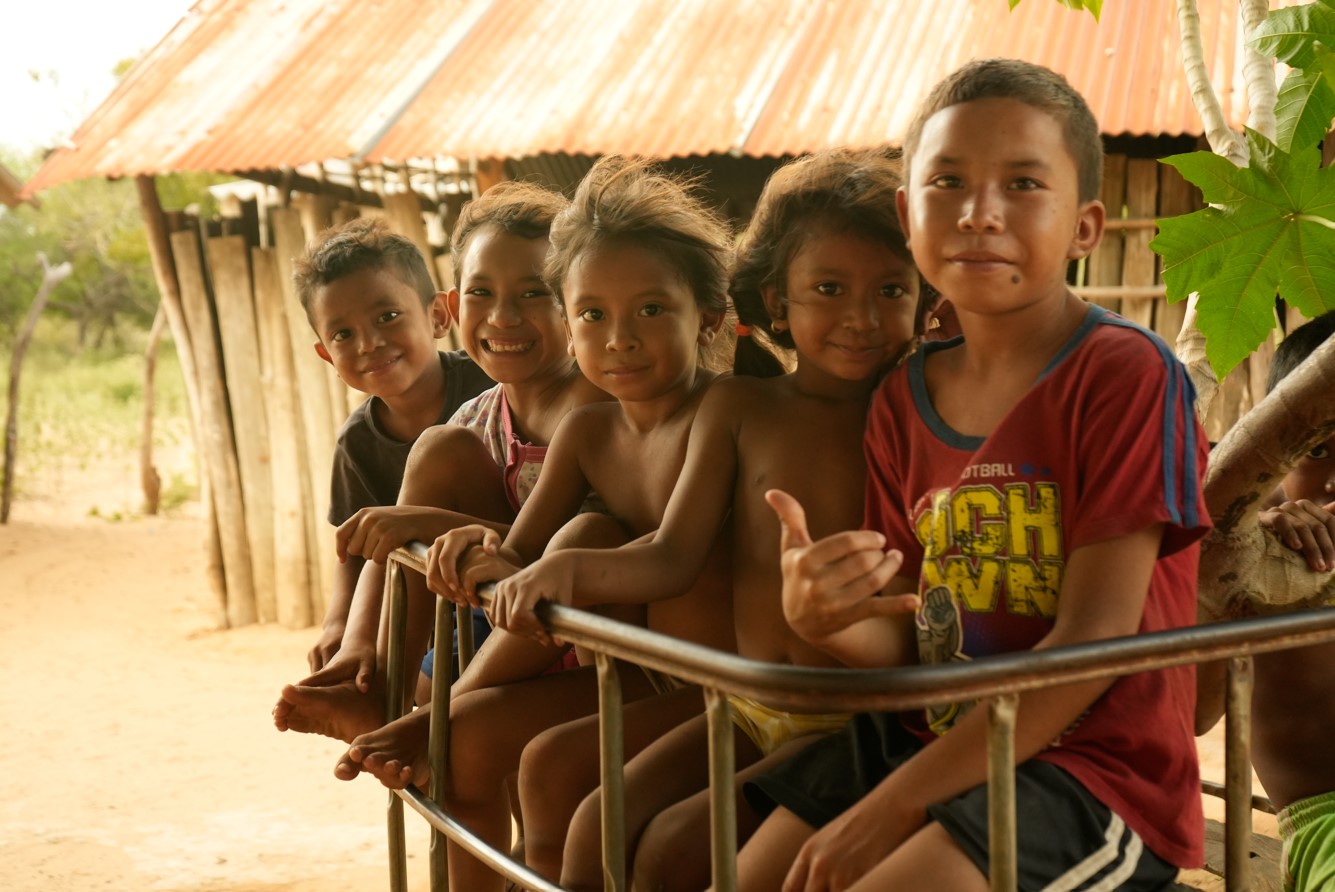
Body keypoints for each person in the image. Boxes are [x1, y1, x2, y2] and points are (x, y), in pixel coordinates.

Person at [735, 58, 1211, 892]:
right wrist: (826, 619)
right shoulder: (899, 399)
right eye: (946, 181)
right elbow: (910, 633)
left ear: (1084, 227)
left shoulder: (1124, 374)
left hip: (1091, 770)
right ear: (906, 215)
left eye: (1022, 183)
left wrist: (891, 810)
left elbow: (1092, 644)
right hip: (933, 736)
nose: (978, 213)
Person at [464, 148, 924, 891]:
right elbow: (673, 554)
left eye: (891, 290)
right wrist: (565, 567)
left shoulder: (916, 413)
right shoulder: (739, 407)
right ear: (777, 301)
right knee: (597, 825)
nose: (860, 318)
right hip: (744, 699)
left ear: (925, 298)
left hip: (854, 714)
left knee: (673, 848)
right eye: (829, 289)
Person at [336, 156, 737, 892]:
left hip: (695, 677)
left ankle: (435, 715)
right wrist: (475, 542)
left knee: (547, 758)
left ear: (707, 317)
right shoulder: (588, 432)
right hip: (618, 661)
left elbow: (669, 556)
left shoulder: (724, 410)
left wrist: (551, 562)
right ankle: (424, 712)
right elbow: (519, 554)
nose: (619, 338)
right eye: (595, 314)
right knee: (489, 750)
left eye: (650, 310)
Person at [273, 180, 606, 742]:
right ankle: (382, 687)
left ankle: (420, 711)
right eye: (481, 293)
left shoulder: (599, 409)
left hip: (578, 633)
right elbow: (365, 548)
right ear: (456, 306)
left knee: (465, 739)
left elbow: (585, 548)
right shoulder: (469, 420)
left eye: (533, 292)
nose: (503, 316)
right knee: (437, 448)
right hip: (484, 615)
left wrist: (432, 523)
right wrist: (351, 635)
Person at [291, 217, 492, 680]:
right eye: (343, 335)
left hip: (499, 586)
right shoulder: (358, 443)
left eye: (387, 317)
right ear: (326, 355)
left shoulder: (490, 386)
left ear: (438, 316)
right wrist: (337, 625)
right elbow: (354, 551)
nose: (369, 343)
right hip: (429, 617)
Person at [1196, 310, 1335, 892]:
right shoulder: (1253, 534)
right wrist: (1244, 553)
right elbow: (1195, 713)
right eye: (1318, 450)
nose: (1334, 481)